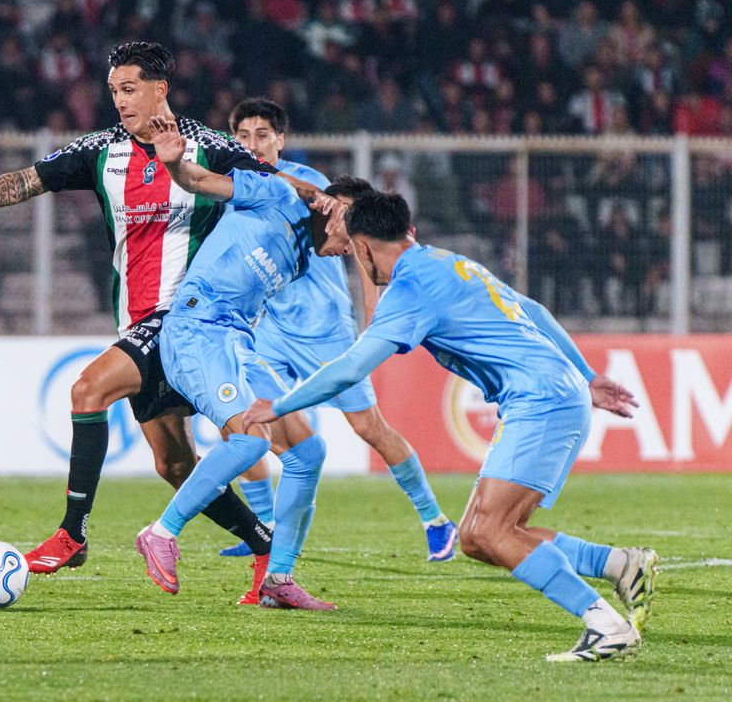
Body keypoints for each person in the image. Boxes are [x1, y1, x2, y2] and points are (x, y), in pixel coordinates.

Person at [0, 42, 277, 599]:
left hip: (187, 317)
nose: (120, 101)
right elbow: (25, 181)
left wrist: (323, 205)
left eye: (130, 89)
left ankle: (72, 534)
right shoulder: (101, 151)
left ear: (160, 89)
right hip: (138, 322)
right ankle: (266, 548)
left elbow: (273, 187)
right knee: (174, 466)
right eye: (114, 91)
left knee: (88, 389)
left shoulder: (210, 147)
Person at [243, 191, 656, 661]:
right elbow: (534, 312)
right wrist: (588, 376)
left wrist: (280, 405)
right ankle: (619, 564)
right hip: (553, 393)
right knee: (479, 537)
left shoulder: (408, 290)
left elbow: (351, 367)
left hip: (541, 400)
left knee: (491, 531)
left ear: (363, 248)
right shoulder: (447, 261)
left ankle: (605, 624)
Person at [219, 99, 456, 561]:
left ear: (280, 139)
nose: (253, 144)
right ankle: (264, 526)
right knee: (239, 418)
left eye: (262, 135)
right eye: (243, 136)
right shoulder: (236, 189)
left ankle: (435, 520)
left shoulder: (311, 186)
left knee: (369, 426)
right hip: (270, 329)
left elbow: (362, 246)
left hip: (325, 329)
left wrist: (374, 314)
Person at [133, 114, 339, 609]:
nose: (350, 249)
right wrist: (173, 162)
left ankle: (278, 578)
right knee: (251, 440)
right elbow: (201, 181)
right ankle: (161, 532)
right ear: (333, 210)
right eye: (352, 234)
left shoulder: (302, 256)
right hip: (196, 330)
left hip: (236, 343)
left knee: (308, 452)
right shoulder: (274, 193)